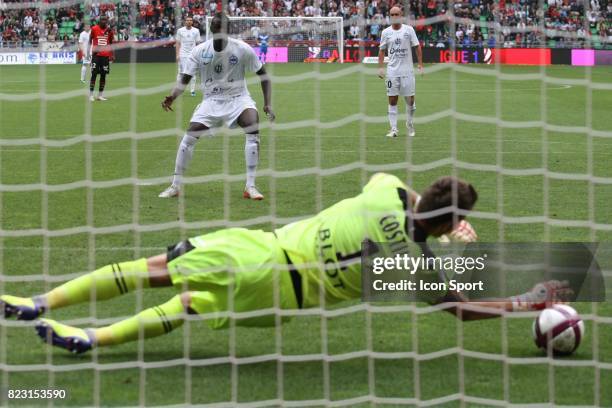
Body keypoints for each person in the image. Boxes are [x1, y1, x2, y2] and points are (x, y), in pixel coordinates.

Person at [0, 173, 568, 354]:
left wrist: (438, 229)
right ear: (448, 225)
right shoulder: (411, 267)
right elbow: (463, 310)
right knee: (191, 304)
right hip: (282, 303)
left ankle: (40, 303)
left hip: (265, 251)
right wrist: (523, 300)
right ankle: (94, 341)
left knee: (157, 267)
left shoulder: (383, 188)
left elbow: (407, 203)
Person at [158, 12, 275, 200]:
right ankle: (175, 186)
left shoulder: (242, 49)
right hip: (211, 101)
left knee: (252, 125)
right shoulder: (199, 51)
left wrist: (267, 103)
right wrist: (172, 96)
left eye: (223, 29)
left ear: (228, 31)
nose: (220, 32)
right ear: (211, 30)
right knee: (189, 137)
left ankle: (250, 186)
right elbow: (185, 78)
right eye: (217, 28)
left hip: (239, 99)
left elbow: (264, 76)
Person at [378, 6, 423, 138]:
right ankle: (393, 129)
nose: (395, 16)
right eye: (392, 14)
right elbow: (381, 50)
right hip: (392, 72)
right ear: (390, 16)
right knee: (392, 100)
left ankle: (409, 124)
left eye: (397, 14)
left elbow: (417, 46)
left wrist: (420, 64)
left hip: (407, 71)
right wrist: (380, 67)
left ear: (401, 15)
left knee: (410, 101)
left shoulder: (409, 30)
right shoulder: (385, 32)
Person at [175, 15, 201, 97]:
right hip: (182, 55)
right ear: (185, 22)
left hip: (192, 55)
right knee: (181, 73)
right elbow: (178, 43)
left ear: (192, 22)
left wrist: (198, 55)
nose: (189, 21)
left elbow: (198, 44)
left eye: (190, 20)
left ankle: (192, 91)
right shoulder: (180, 31)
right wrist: (177, 55)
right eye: (187, 20)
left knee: (192, 73)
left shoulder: (196, 31)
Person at [89, 16, 114, 102]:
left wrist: (112, 54)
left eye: (105, 20)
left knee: (103, 75)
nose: (104, 22)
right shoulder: (94, 29)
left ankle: (100, 95)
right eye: (102, 20)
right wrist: (91, 50)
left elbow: (111, 42)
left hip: (105, 56)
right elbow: (90, 39)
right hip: (96, 55)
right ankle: (91, 95)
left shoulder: (109, 31)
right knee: (94, 74)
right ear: (99, 21)